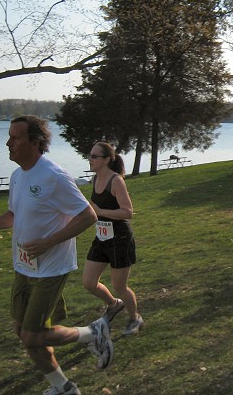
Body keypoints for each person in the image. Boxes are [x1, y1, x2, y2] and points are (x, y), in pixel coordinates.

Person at [0, 115, 111, 395]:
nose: (8, 143)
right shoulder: (18, 175)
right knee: (23, 331)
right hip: (24, 265)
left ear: (35, 142)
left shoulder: (53, 176)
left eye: (15, 137)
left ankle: (93, 334)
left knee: (32, 334)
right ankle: (64, 387)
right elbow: (14, 214)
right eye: (9, 137)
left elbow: (87, 216)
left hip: (51, 268)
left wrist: (48, 242)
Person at [82, 141, 144, 337]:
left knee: (119, 286)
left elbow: (128, 212)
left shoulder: (116, 181)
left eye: (94, 156)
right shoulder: (94, 180)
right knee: (89, 282)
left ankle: (135, 318)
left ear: (107, 159)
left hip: (120, 238)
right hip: (101, 237)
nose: (90, 159)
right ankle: (113, 304)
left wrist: (101, 211)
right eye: (90, 155)